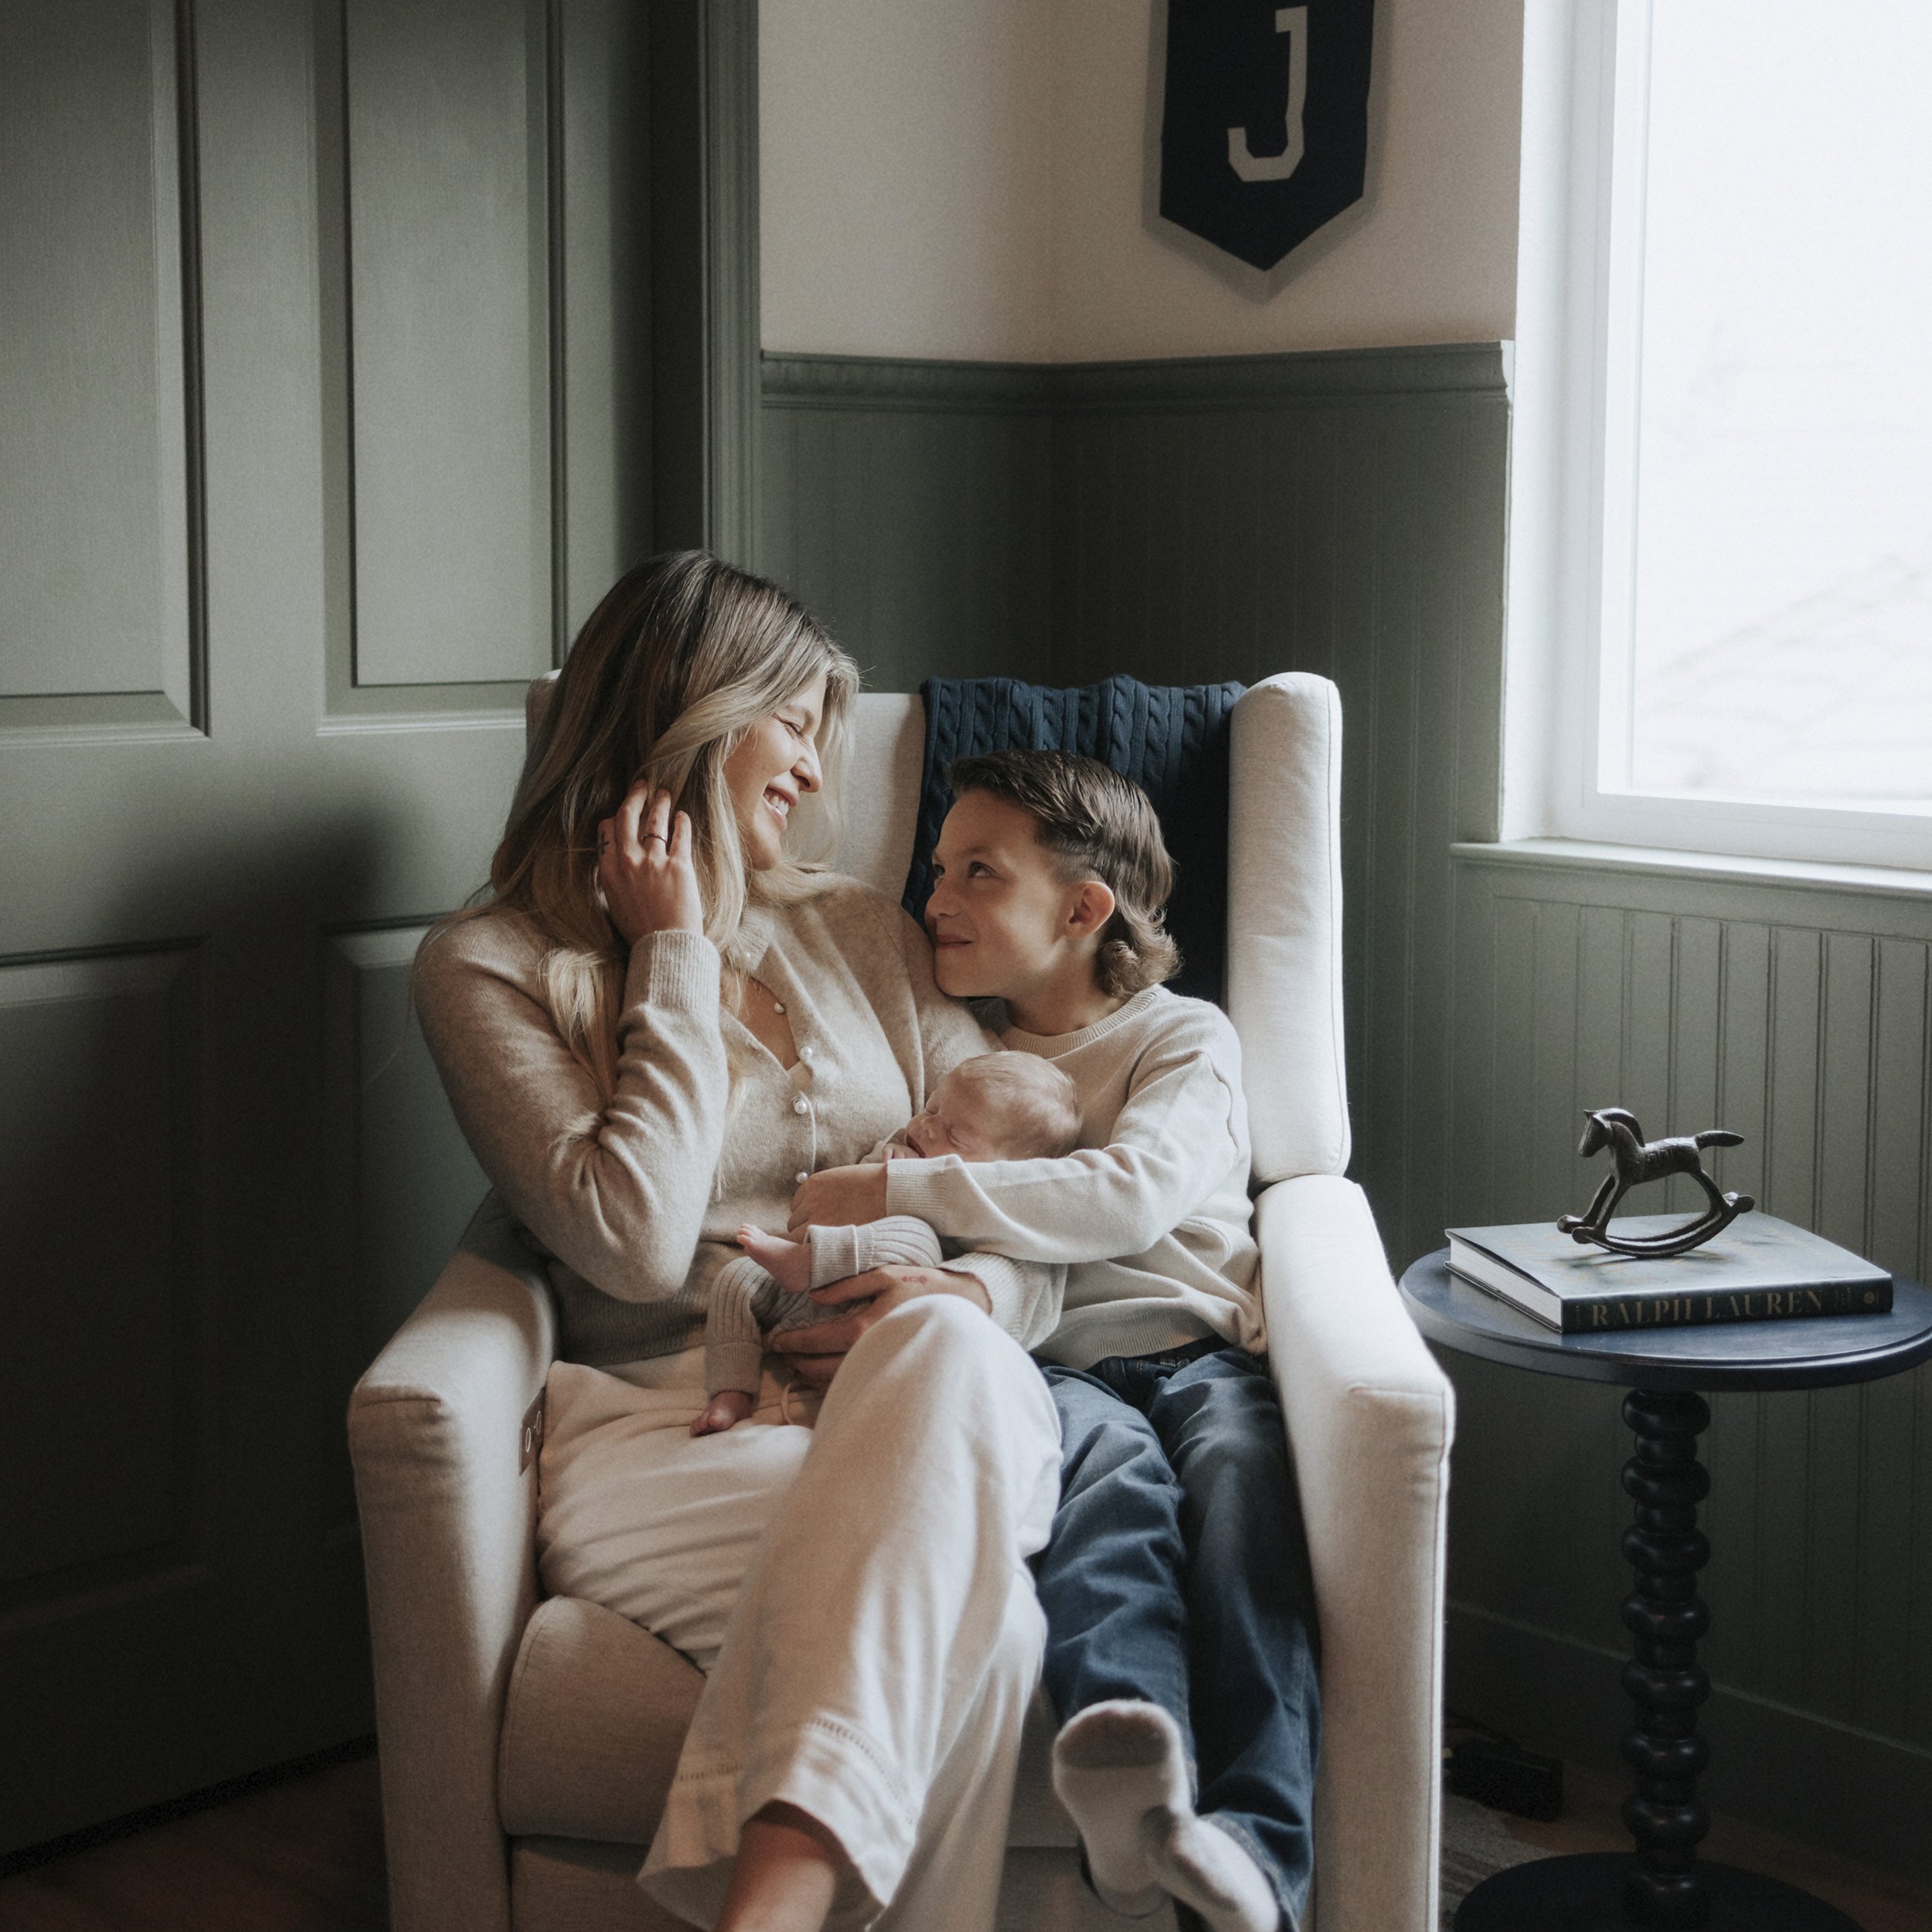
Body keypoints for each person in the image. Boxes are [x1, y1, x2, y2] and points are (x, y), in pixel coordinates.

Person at [412, 553, 1065, 1932]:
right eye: (801, 726)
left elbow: (1036, 1186)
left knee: (951, 1337)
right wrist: (673, 956)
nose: (824, 778)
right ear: (702, 709)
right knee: (989, 1635)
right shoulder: (491, 965)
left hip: (898, 1409)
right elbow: (640, 1247)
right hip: (660, 1431)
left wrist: (962, 1280)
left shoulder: (864, 936)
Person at [791, 750, 1319, 1932]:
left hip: (1195, 1349)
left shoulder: (1182, 1040)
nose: (936, 899)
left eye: (979, 872)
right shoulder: (952, 1050)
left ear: (1086, 910)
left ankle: (1261, 1847)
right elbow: (987, 1258)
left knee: (1238, 1485)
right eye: (936, 867)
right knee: (1111, 1502)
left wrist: (901, 1188)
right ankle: (1132, 1776)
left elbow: (1126, 1194)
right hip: (1049, 1367)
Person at [697, 1052, 1083, 1435]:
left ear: (1010, 1174)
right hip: (813, 1301)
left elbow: (1032, 1268)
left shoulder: (1003, 1214)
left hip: (899, 1323)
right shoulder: (896, 1149)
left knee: (915, 1234)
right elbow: (841, 1204)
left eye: (956, 1136)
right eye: (931, 1108)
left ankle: (804, 1263)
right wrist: (876, 1171)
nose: (927, 1127)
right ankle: (731, 1389)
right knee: (736, 1279)